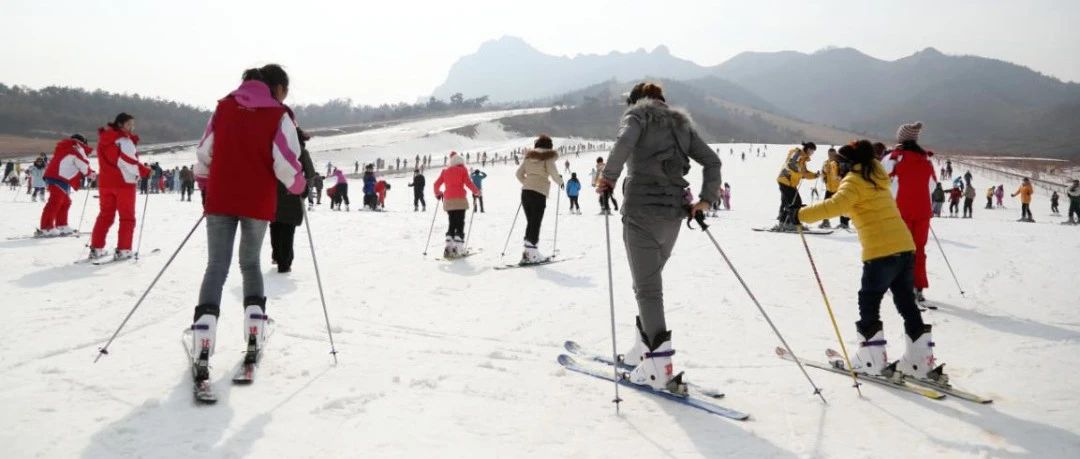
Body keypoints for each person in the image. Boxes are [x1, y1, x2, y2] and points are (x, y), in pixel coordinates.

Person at [597, 82, 722, 392]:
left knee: (648, 290)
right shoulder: (682, 126)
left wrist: (607, 179)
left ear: (636, 101)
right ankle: (644, 348)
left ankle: (658, 366)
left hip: (641, 213)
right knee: (648, 284)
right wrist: (705, 200)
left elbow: (624, 143)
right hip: (673, 217)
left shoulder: (637, 118)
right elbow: (712, 161)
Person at [190, 64, 307, 387]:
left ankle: (202, 340)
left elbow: (204, 151)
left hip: (221, 198)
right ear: (277, 87)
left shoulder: (224, 107)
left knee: (216, 266)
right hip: (257, 201)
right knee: (250, 264)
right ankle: (255, 330)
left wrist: (204, 186)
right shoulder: (278, 115)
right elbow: (285, 160)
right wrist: (298, 185)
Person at [793, 140, 941, 381]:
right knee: (906, 304)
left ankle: (871, 360)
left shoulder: (854, 180)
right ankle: (919, 361)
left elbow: (835, 205)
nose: (838, 167)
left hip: (881, 251)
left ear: (851, 162)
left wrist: (800, 213)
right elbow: (854, 208)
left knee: (869, 300)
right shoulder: (877, 177)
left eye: (841, 162)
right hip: (905, 248)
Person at [882, 122, 935, 303]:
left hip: (899, 210)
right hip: (922, 211)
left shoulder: (893, 158)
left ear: (900, 138)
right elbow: (932, 185)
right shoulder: (926, 159)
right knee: (918, 249)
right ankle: (918, 287)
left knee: (898, 248)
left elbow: (881, 183)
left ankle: (899, 285)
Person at [88, 113, 151, 261]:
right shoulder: (124, 141)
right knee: (127, 217)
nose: (132, 128)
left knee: (105, 215)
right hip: (123, 183)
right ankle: (124, 249)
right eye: (129, 124)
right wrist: (145, 171)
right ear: (121, 124)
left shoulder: (104, 140)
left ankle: (96, 248)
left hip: (105, 183)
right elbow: (127, 161)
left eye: (133, 125)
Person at [270, 128, 317, 273]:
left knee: (275, 224)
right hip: (292, 192)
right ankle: (285, 263)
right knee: (287, 228)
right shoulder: (301, 151)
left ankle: (277, 256)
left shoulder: (274, 149)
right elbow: (310, 174)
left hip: (273, 192)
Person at [515, 135, 565, 263]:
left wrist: (527, 183)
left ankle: (528, 252)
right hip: (539, 192)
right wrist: (560, 181)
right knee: (535, 222)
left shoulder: (528, 158)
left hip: (525, 192)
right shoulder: (547, 158)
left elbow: (518, 174)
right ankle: (532, 254)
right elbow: (554, 174)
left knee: (531, 222)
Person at [37, 134, 92, 237]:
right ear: (82, 142)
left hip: (59, 178)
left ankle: (61, 225)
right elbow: (82, 164)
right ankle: (47, 227)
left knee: (65, 202)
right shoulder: (75, 149)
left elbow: (78, 164)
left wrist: (89, 172)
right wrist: (90, 173)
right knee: (55, 202)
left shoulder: (67, 148)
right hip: (57, 178)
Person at [433, 152, 480, 258]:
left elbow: (436, 184)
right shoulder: (462, 170)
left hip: (448, 200)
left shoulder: (445, 171)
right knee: (460, 222)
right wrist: (476, 192)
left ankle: (448, 247)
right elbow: (468, 183)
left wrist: (438, 193)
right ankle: (458, 248)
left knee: (452, 222)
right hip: (459, 200)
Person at [774, 142, 818, 231]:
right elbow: (791, 164)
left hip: (790, 183)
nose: (812, 153)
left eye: (813, 152)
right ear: (807, 148)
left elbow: (805, 173)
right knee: (795, 203)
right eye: (811, 151)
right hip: (785, 180)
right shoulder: (797, 153)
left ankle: (784, 223)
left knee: (788, 203)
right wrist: (800, 172)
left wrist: (815, 175)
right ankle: (792, 224)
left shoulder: (803, 159)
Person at [819, 147, 847, 229]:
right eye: (830, 154)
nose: (831, 156)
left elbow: (843, 173)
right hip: (829, 189)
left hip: (839, 189)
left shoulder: (839, 163)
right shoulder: (826, 163)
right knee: (825, 206)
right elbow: (823, 173)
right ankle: (825, 222)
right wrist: (823, 176)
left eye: (833, 154)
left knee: (841, 206)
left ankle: (844, 223)